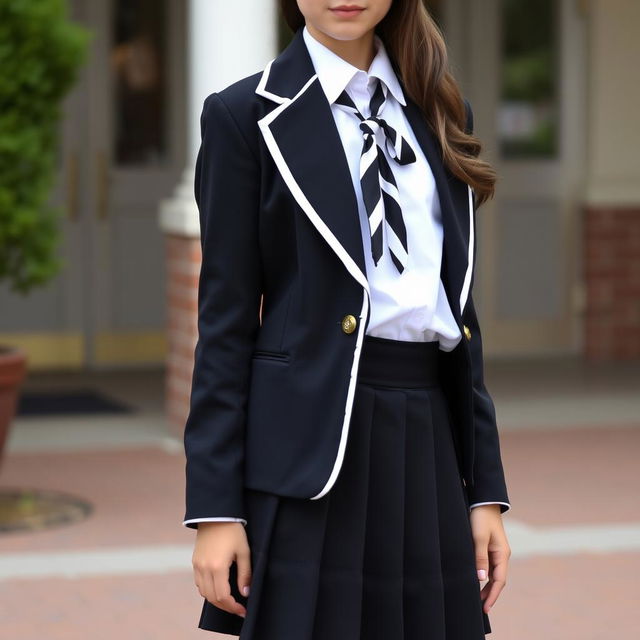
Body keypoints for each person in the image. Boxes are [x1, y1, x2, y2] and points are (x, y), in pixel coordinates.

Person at [183, 1, 512, 638]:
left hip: (427, 439)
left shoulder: (442, 112)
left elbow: (457, 315)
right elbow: (223, 326)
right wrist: (216, 511)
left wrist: (484, 489)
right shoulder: (243, 117)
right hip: (309, 452)